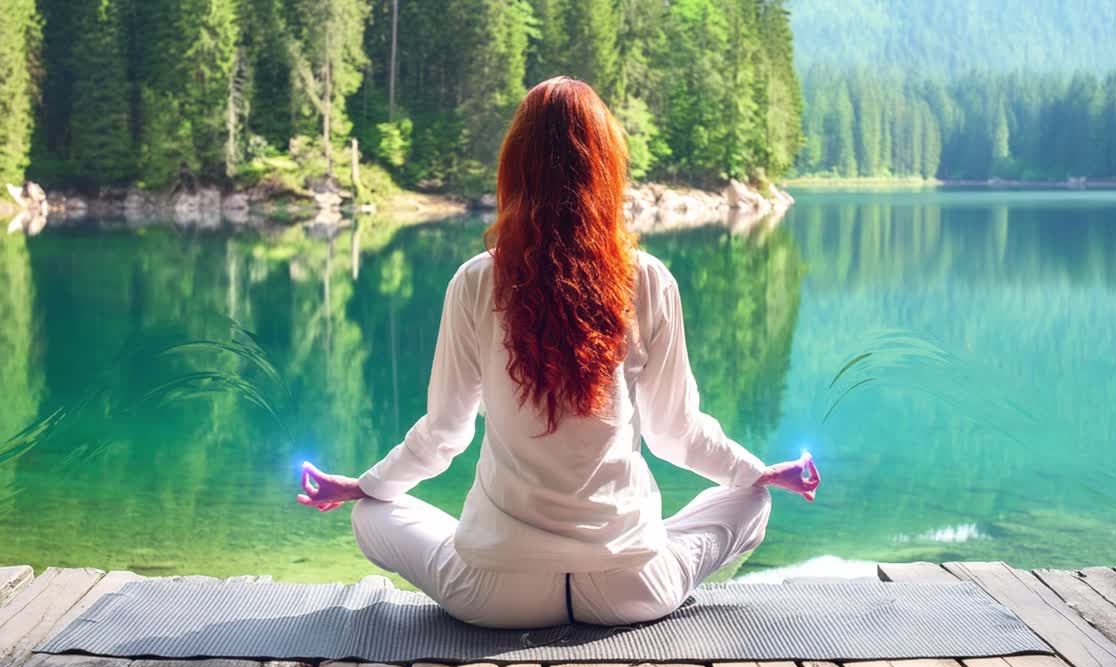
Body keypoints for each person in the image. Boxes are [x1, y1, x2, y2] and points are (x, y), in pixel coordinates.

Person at [296, 77, 821, 630]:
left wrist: (366, 485)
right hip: (631, 587)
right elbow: (676, 432)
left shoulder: (475, 281)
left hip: (495, 593)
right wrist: (758, 472)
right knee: (751, 502)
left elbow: (444, 435)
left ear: (515, 168)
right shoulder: (649, 279)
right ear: (605, 169)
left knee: (372, 515)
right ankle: (663, 539)